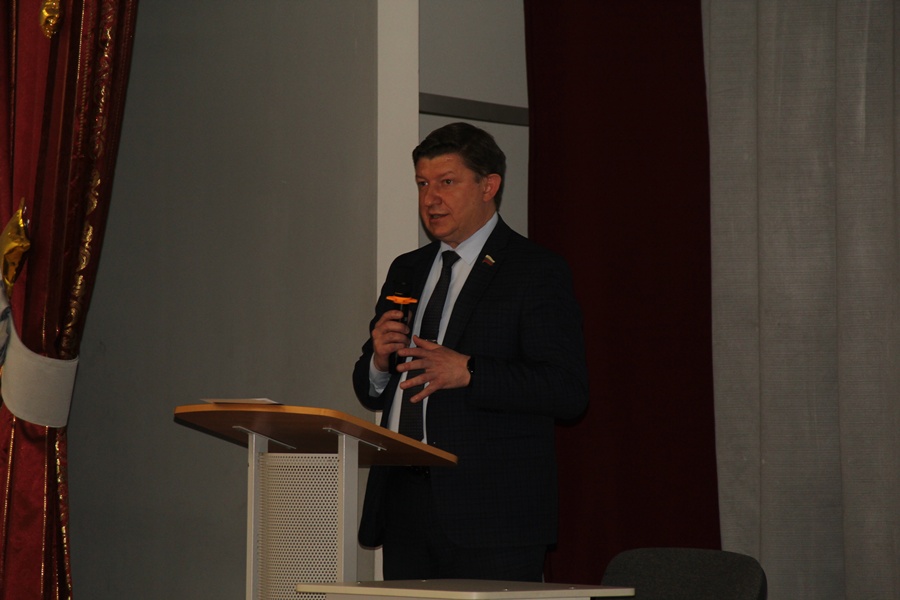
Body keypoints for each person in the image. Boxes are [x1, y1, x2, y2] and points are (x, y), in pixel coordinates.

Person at [352, 122, 588, 582]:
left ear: (488, 186)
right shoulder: (407, 269)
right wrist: (379, 361)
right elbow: (371, 387)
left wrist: (470, 371)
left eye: (446, 182)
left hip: (493, 515)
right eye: (422, 184)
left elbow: (566, 390)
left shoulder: (535, 270)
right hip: (404, 504)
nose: (430, 199)